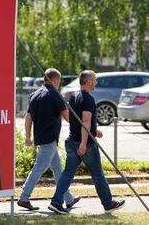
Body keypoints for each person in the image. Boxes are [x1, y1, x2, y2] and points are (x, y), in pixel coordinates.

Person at [48, 70, 125, 214]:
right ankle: (108, 203)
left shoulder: (73, 97)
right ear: (89, 81)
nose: (96, 83)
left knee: (67, 174)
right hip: (85, 144)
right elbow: (85, 121)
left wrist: (93, 131)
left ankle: (56, 202)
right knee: (97, 174)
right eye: (94, 80)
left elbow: (75, 121)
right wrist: (84, 143)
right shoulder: (88, 99)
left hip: (71, 141)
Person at [17, 68, 80, 211]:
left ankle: (68, 199)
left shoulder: (34, 95)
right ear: (55, 80)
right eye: (59, 81)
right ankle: (24, 197)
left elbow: (28, 118)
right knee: (39, 167)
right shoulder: (54, 94)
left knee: (58, 170)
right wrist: (81, 125)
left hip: (41, 137)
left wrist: (28, 136)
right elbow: (66, 116)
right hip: (50, 138)